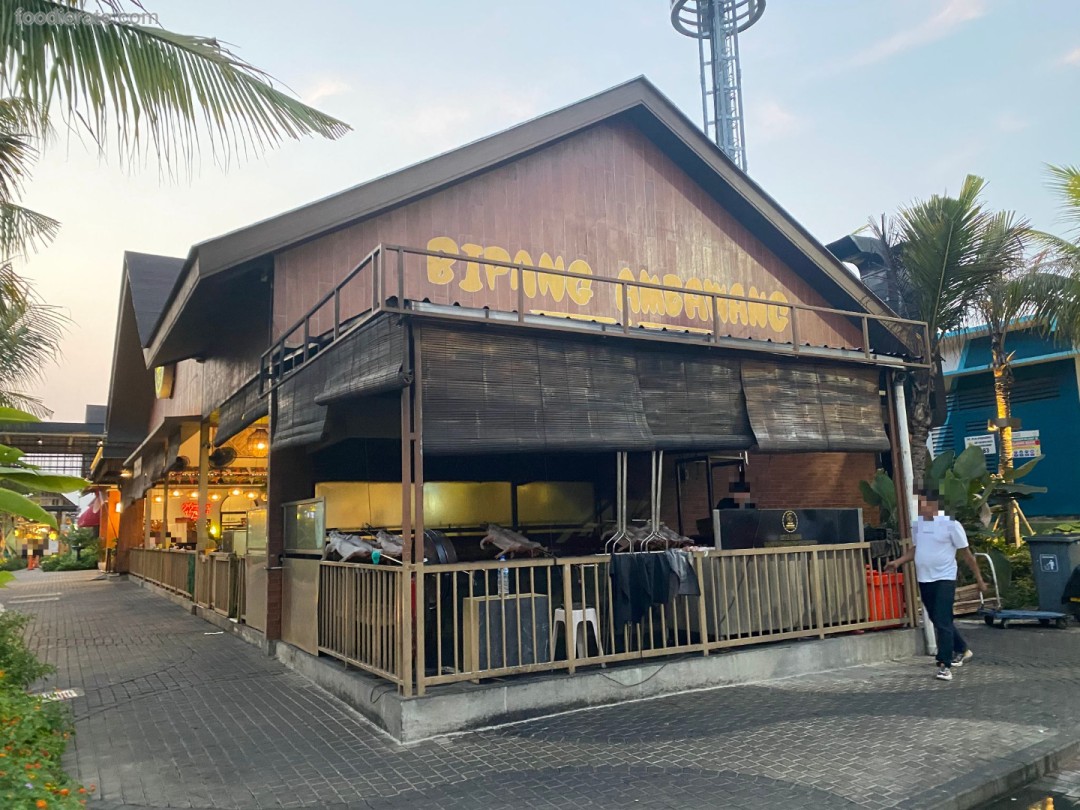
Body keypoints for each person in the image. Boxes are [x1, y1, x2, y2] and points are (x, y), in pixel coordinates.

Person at [885, 489, 987, 682]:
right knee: (938, 619)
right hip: (925, 578)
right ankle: (962, 649)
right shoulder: (919, 525)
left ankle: (944, 664)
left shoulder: (951, 525)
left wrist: (979, 579)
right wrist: (898, 562)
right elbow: (916, 549)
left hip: (945, 578)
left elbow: (966, 554)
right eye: (919, 504)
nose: (921, 508)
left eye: (925, 504)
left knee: (941, 619)